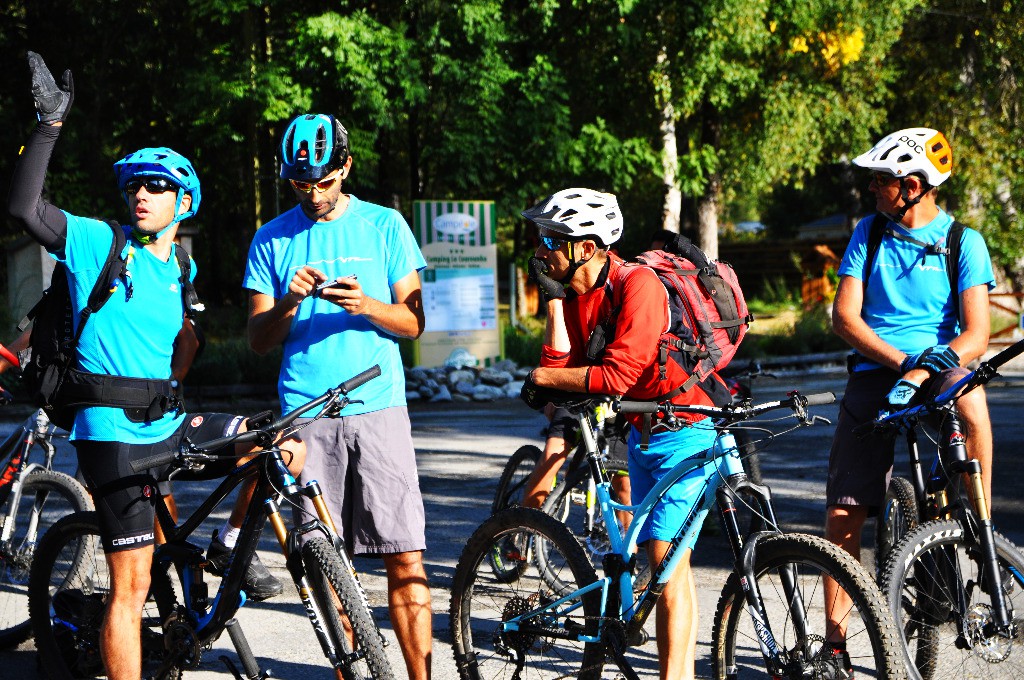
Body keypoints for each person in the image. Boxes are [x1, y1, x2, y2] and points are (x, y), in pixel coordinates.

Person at [8, 52, 304, 680]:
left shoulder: (180, 268)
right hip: (110, 433)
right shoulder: (99, 241)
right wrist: (49, 126)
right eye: (135, 185)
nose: (142, 194)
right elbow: (24, 209)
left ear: (183, 201)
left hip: (166, 423)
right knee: (133, 580)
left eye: (157, 186)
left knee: (278, 447)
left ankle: (227, 548)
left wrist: (175, 380)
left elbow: (186, 340)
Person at [243, 113, 432, 679]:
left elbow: (415, 322)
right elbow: (256, 340)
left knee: (405, 556)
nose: (314, 193)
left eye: (324, 181)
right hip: (304, 415)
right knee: (329, 569)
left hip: (378, 408)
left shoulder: (385, 225)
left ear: (346, 167)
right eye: (301, 183)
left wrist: (368, 305)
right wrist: (287, 305)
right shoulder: (270, 237)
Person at [519, 187, 729, 680]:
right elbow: (561, 368)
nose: (541, 247)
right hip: (641, 431)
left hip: (689, 427)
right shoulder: (576, 293)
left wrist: (544, 378)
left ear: (586, 248)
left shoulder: (640, 286)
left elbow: (613, 375)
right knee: (649, 560)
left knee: (666, 560)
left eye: (552, 238)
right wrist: (553, 302)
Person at [823, 127, 995, 662]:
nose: (873, 190)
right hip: (879, 366)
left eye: (882, 181)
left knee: (972, 405)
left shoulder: (963, 241)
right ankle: (834, 645)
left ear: (914, 186)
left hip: (942, 364)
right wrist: (901, 363)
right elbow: (844, 317)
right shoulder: (868, 234)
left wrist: (931, 367)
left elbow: (978, 333)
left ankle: (979, 524)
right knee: (843, 513)